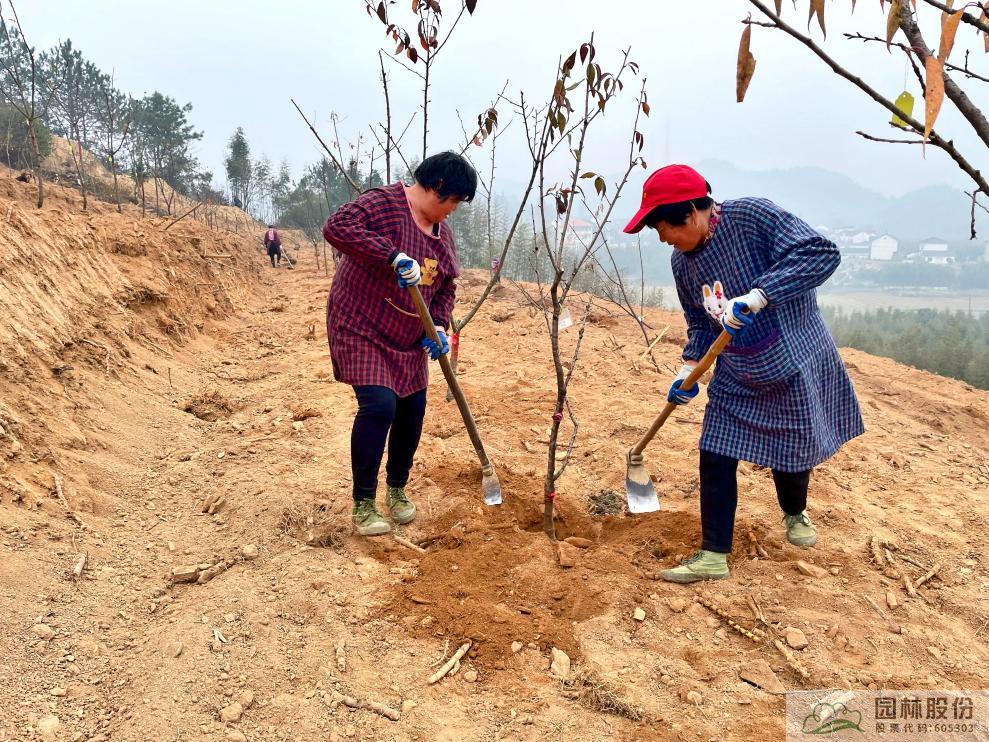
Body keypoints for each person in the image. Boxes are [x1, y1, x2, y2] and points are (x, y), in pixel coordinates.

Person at [623, 164, 864, 583]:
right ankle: (715, 554)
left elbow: (821, 253)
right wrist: (687, 370)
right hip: (737, 369)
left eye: (665, 228)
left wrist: (759, 296)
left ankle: (794, 512)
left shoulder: (753, 217)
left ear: (693, 214)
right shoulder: (684, 264)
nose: (663, 239)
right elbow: (700, 325)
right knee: (714, 451)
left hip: (793, 357)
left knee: (790, 454)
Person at [322, 152, 477, 536]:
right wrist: (391, 256)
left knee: (412, 410)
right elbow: (337, 227)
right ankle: (362, 503)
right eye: (454, 200)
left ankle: (396, 490)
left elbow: (445, 288)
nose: (453, 210)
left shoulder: (444, 236)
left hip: (408, 338)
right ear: (437, 187)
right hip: (361, 324)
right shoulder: (384, 204)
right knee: (379, 405)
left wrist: (439, 327)